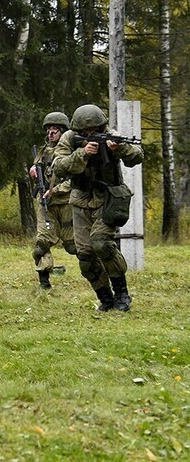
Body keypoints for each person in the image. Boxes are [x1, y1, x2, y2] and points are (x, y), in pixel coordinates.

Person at [52, 104, 143, 311]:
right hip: (81, 200)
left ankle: (122, 295)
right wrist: (83, 153)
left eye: (95, 130)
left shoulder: (112, 135)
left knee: (101, 244)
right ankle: (105, 298)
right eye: (86, 132)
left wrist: (119, 148)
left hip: (107, 200)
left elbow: (137, 156)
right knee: (84, 255)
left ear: (102, 126)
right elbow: (58, 167)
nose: (91, 134)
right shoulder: (68, 138)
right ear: (78, 130)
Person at [29, 112, 76, 290]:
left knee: (73, 246)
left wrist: (54, 190)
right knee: (42, 243)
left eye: (55, 130)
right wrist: (34, 169)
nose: (51, 133)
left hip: (66, 203)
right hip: (46, 204)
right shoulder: (43, 151)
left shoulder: (71, 153)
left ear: (63, 131)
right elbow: (41, 171)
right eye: (48, 129)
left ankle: (99, 273)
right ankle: (44, 283)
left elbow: (75, 181)